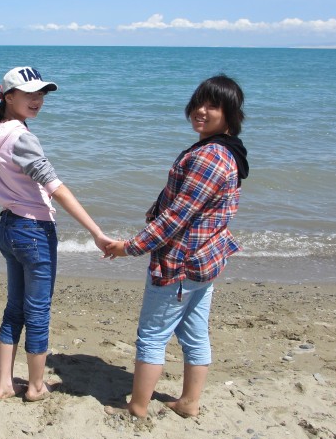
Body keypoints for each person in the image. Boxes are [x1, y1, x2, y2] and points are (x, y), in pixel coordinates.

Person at [0, 66, 112, 401]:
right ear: (9, 97)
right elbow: (56, 188)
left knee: (14, 308)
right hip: (34, 231)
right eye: (29, 94)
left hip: (8, 229)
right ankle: (35, 386)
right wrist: (96, 232)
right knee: (37, 312)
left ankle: (5, 383)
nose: (38, 100)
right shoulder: (22, 138)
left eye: (41, 94)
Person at [104, 74, 249, 419]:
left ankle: (137, 407)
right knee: (195, 332)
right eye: (198, 103)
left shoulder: (211, 155)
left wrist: (129, 247)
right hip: (204, 260)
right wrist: (155, 210)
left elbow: (177, 218)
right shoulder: (224, 150)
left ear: (230, 114)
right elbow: (187, 206)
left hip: (180, 263)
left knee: (152, 335)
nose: (201, 111)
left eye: (213, 106)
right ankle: (188, 402)